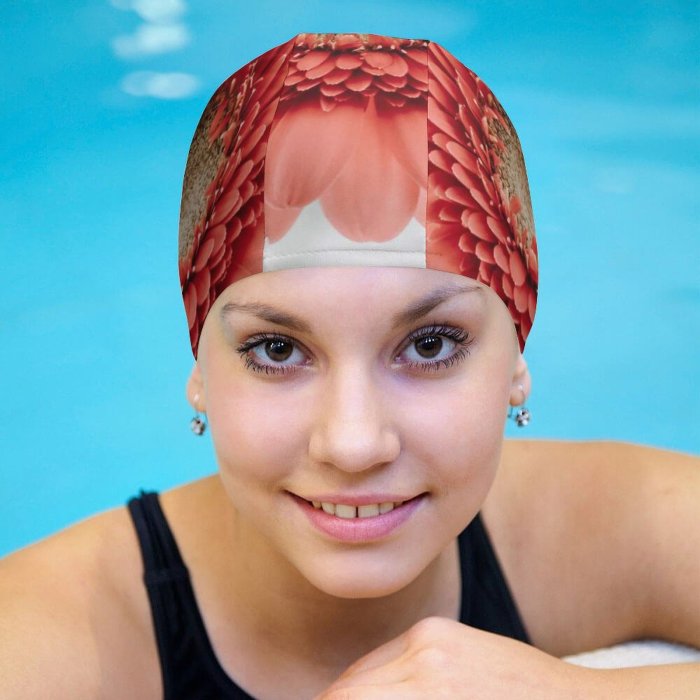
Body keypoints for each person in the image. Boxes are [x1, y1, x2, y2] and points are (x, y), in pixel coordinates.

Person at [2, 32, 699, 699]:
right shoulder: (51, 630)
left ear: (516, 359)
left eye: (430, 345)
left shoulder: (584, 528)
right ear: (200, 369)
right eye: (277, 350)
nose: (354, 442)